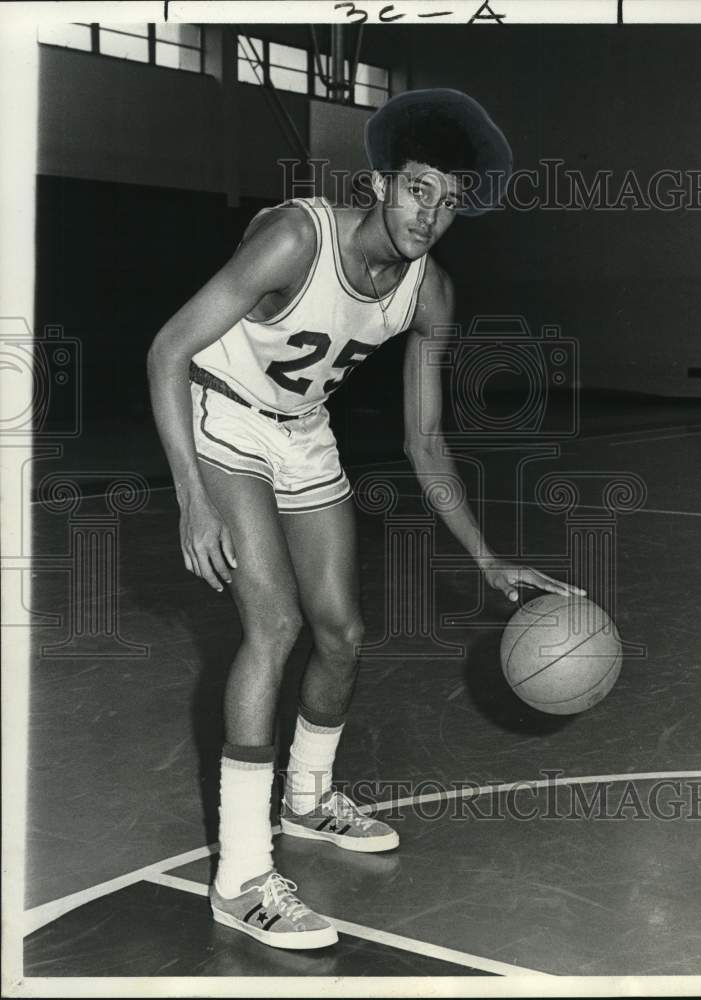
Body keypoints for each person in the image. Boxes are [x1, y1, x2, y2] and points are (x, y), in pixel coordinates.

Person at [147, 88, 584, 951]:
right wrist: (193, 496)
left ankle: (308, 802)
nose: (432, 213)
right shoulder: (296, 239)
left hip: (304, 436)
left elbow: (426, 441)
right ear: (383, 182)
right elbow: (168, 349)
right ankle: (239, 875)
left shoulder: (429, 293)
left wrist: (486, 558)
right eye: (421, 188)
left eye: (452, 201)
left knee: (343, 633)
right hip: (225, 415)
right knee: (272, 627)